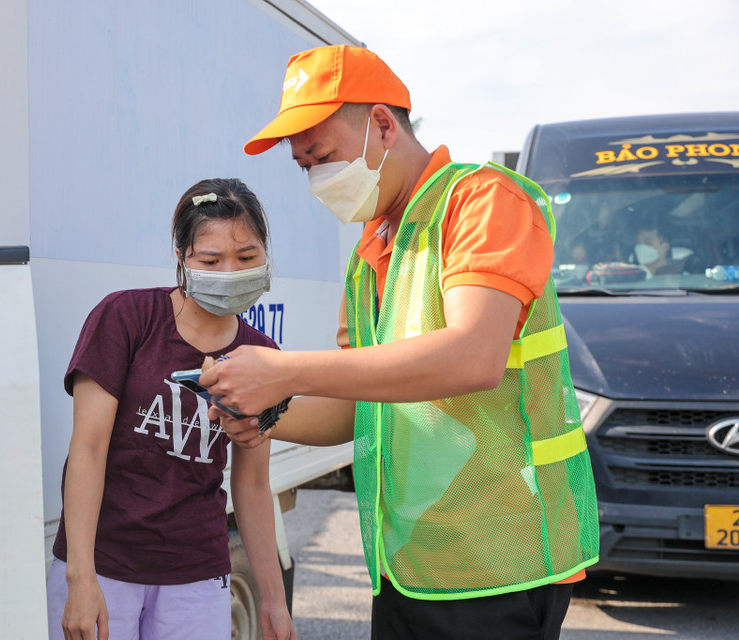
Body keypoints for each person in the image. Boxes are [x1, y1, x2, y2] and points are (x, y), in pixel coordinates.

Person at [200, 45, 599, 640]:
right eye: (303, 166)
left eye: (324, 156)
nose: (316, 178)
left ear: (383, 125)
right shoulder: (373, 251)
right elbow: (360, 407)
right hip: (410, 567)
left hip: (501, 564)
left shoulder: (483, 201)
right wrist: (264, 417)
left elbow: (474, 356)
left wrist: (284, 374)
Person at [47, 178, 296, 640]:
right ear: (181, 258)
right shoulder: (125, 318)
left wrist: (274, 602)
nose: (229, 272)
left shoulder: (263, 356)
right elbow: (87, 449)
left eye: (246, 258)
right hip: (107, 567)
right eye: (210, 260)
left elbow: (254, 482)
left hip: (196, 576)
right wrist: (81, 577)